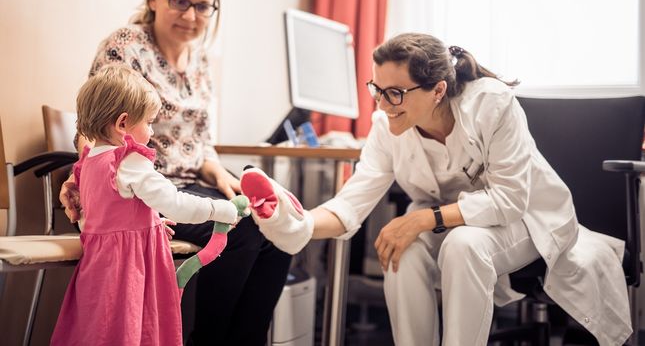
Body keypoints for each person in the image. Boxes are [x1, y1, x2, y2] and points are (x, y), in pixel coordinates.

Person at [252, 33, 632, 345]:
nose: (383, 105)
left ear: (437, 90)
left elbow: (511, 199)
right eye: (377, 89)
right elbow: (352, 203)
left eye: (395, 93)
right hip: (448, 224)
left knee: (463, 245)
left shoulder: (491, 104)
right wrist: (297, 223)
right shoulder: (387, 126)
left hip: (528, 219)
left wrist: (422, 218)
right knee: (401, 248)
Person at [59, 0, 292, 345]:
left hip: (190, 184)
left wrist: (227, 181)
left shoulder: (200, 62)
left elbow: (202, 147)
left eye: (203, 6)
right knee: (244, 231)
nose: (191, 15)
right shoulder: (126, 46)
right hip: (140, 189)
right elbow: (95, 125)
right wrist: (82, 174)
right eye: (180, 1)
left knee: (277, 229)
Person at [51, 65, 241, 345]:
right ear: (123, 123)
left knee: (102, 329)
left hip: (99, 265)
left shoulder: (88, 164)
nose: (152, 131)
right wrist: (221, 209)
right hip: (130, 267)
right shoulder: (128, 160)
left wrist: (146, 223)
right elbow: (176, 204)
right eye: (150, 122)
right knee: (136, 328)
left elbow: (98, 219)